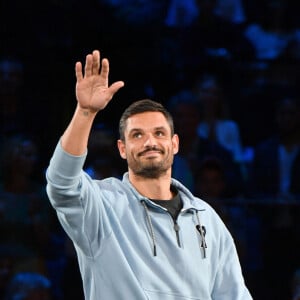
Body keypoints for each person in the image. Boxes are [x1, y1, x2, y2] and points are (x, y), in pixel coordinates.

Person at [45, 50, 253, 299]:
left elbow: (233, 294)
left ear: (175, 144)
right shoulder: (102, 205)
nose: (149, 142)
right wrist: (85, 113)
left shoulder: (206, 217)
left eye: (159, 133)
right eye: (137, 135)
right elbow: (61, 184)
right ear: (122, 149)